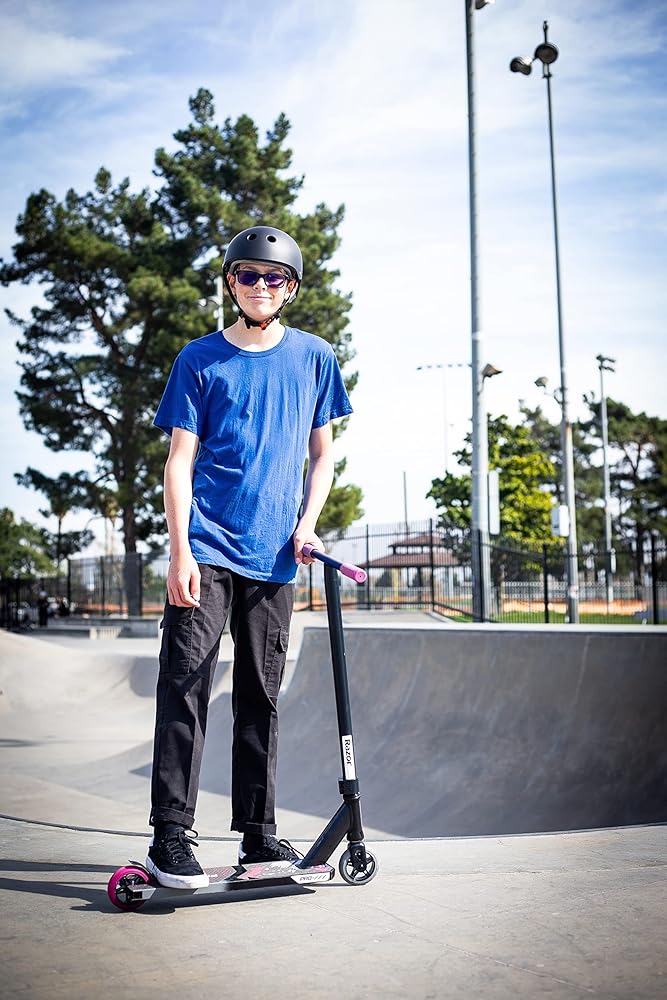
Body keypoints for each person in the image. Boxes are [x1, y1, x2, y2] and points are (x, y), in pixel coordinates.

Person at [146, 225, 353, 889]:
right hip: (206, 547)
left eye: (274, 277)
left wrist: (307, 525)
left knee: (261, 697)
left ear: (290, 288)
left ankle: (260, 836)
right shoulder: (199, 359)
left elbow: (322, 455)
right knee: (186, 684)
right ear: (231, 283)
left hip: (274, 558)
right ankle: (170, 833)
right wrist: (179, 551)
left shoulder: (315, 357)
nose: (261, 286)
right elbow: (179, 462)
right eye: (248, 275)